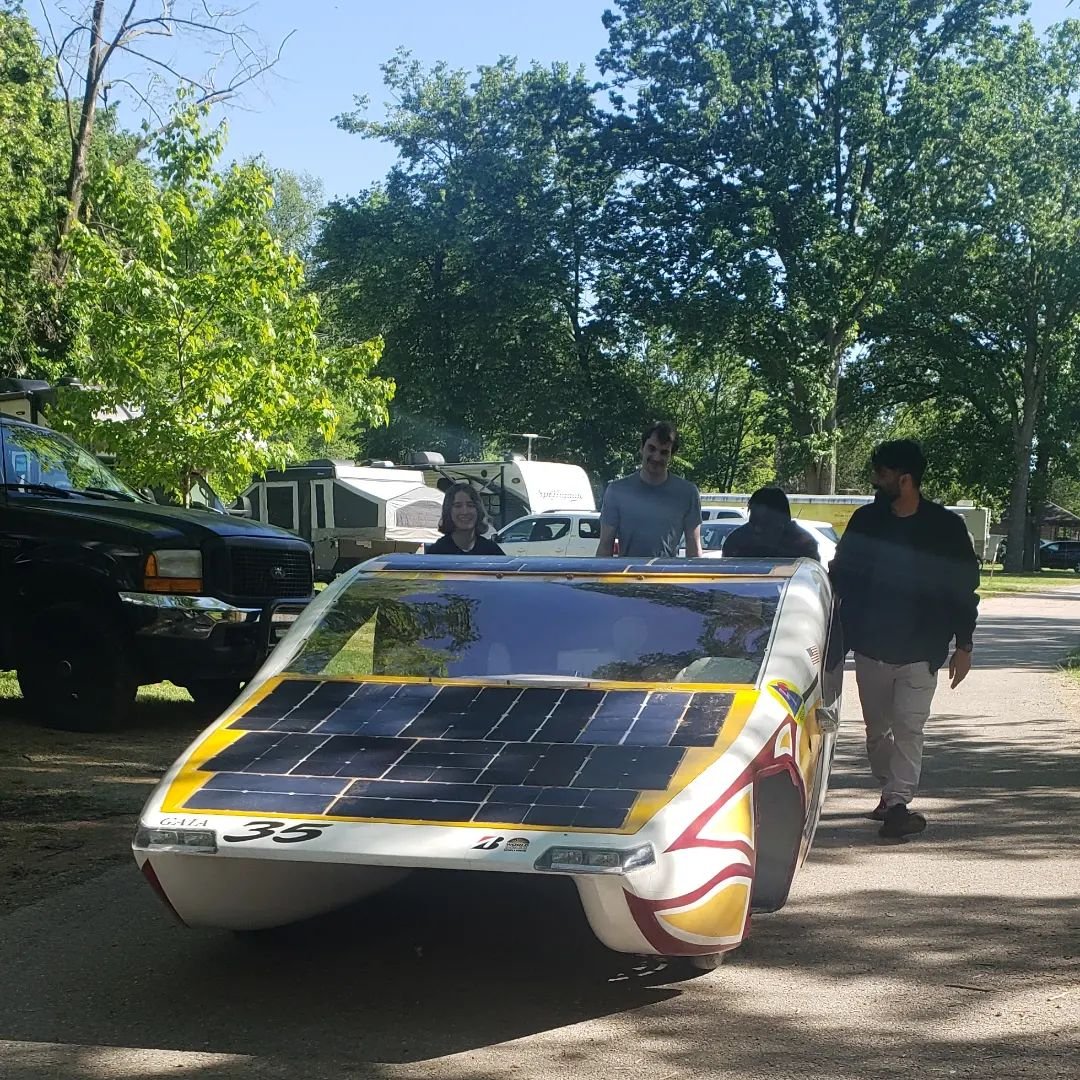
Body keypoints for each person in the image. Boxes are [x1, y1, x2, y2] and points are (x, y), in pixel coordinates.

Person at [830, 439, 979, 840]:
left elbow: (964, 588)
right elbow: (840, 573)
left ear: (906, 479)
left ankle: (897, 801)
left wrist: (963, 645)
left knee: (910, 728)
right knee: (877, 731)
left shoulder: (945, 528)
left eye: (882, 474)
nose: (876, 481)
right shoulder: (866, 522)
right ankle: (888, 790)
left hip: (921, 651)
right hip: (870, 647)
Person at [596, 421, 702, 558]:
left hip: (667, 577)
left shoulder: (688, 493)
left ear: (672, 455)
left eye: (664, 452)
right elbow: (605, 546)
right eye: (652, 449)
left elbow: (694, 548)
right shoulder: (617, 491)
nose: (657, 457)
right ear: (641, 447)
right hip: (627, 576)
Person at [722, 487, 820, 561]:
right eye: (754, 523)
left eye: (766, 524)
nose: (757, 529)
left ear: (784, 520)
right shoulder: (737, 540)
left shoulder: (803, 544)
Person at [425, 482, 505, 555]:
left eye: (470, 505)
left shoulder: (491, 551)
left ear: (478, 510)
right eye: (458, 506)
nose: (465, 512)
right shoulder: (437, 552)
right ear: (448, 511)